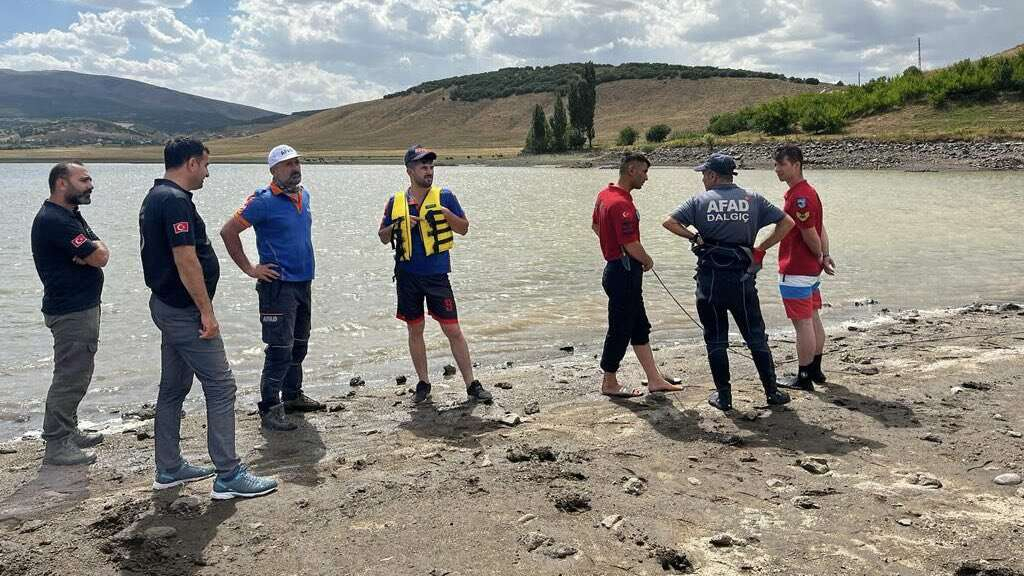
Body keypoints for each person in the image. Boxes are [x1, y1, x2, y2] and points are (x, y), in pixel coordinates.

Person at [140, 136, 277, 499]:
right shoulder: (172, 201)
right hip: (184, 312)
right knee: (221, 386)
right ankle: (228, 474)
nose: (207, 173)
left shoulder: (158, 197)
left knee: (173, 387)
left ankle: (169, 468)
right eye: (205, 165)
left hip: (167, 306)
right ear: (190, 163)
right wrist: (206, 312)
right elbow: (185, 259)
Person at [662, 153, 794, 410]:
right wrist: (761, 248)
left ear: (712, 175)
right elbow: (786, 223)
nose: (702, 179)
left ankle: (724, 397)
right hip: (742, 279)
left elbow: (669, 222)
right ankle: (772, 392)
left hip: (710, 280)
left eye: (703, 174)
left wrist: (694, 237)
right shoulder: (752, 199)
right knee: (755, 335)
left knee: (715, 338)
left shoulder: (700, 201)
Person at [377, 145, 493, 405]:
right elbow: (383, 237)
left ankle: (471, 384)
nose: (429, 171)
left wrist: (445, 214)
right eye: (423, 167)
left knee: (452, 329)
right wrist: (399, 225)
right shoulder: (396, 202)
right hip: (407, 275)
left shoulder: (445, 196)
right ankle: (423, 382)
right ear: (410, 171)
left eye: (431, 167)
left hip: (437, 275)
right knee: (415, 328)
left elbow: (463, 228)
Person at [220, 145, 324, 431]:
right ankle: (269, 407)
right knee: (280, 348)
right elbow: (228, 231)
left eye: (297, 162)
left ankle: (292, 396)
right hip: (277, 286)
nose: (295, 168)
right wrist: (250, 268)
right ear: (274, 170)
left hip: (304, 281)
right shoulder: (261, 201)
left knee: (300, 345)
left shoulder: (304, 195)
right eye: (287, 164)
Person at [30, 162, 108, 465]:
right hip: (71, 310)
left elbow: (96, 250)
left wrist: (90, 253)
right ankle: (57, 443)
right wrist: (91, 253)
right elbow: (100, 256)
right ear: (62, 183)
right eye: (84, 179)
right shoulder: (55, 220)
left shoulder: (70, 215)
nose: (91, 184)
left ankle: (67, 429)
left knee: (78, 372)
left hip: (79, 307)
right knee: (70, 376)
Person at [592, 153, 685, 398]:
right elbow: (631, 243)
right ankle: (609, 381)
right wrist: (647, 259)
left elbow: (596, 227)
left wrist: (612, 247)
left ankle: (654, 379)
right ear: (631, 170)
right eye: (644, 172)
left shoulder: (605, 195)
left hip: (617, 269)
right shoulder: (621, 204)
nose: (646, 177)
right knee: (620, 328)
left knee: (639, 325)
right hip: (623, 273)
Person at [772, 144, 836, 392]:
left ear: (796, 165)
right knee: (813, 318)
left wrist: (820, 254)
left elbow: (811, 233)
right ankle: (815, 369)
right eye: (776, 165)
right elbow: (821, 227)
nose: (777, 170)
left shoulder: (800, 197)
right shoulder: (809, 192)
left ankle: (804, 375)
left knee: (803, 324)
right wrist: (824, 255)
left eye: (782, 165)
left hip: (797, 268)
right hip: (809, 270)